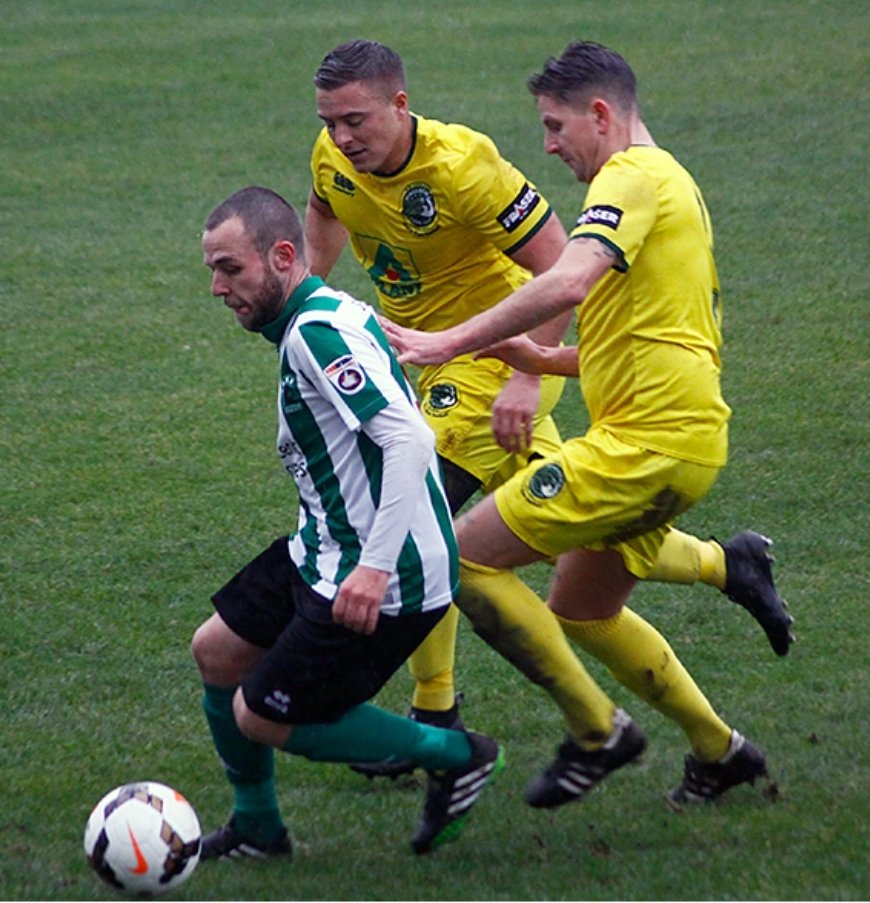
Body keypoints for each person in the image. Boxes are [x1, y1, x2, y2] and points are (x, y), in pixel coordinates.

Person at [306, 39, 793, 779]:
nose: (548, 145)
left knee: (448, 541)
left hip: (641, 443)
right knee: (581, 606)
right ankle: (720, 744)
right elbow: (647, 333)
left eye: (556, 127)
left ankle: (543, 723)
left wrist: (459, 343)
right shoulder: (671, 183)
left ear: (600, 115)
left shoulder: (628, 178)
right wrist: (540, 362)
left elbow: (567, 279)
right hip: (666, 439)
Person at [191, 185, 503, 860]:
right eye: (213, 270)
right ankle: (257, 828)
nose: (218, 287)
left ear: (281, 256)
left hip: (384, 576)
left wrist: (375, 564)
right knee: (215, 650)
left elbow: (412, 440)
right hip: (326, 548)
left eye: (230, 268)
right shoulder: (321, 314)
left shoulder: (316, 333)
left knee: (263, 713)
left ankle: (458, 753)